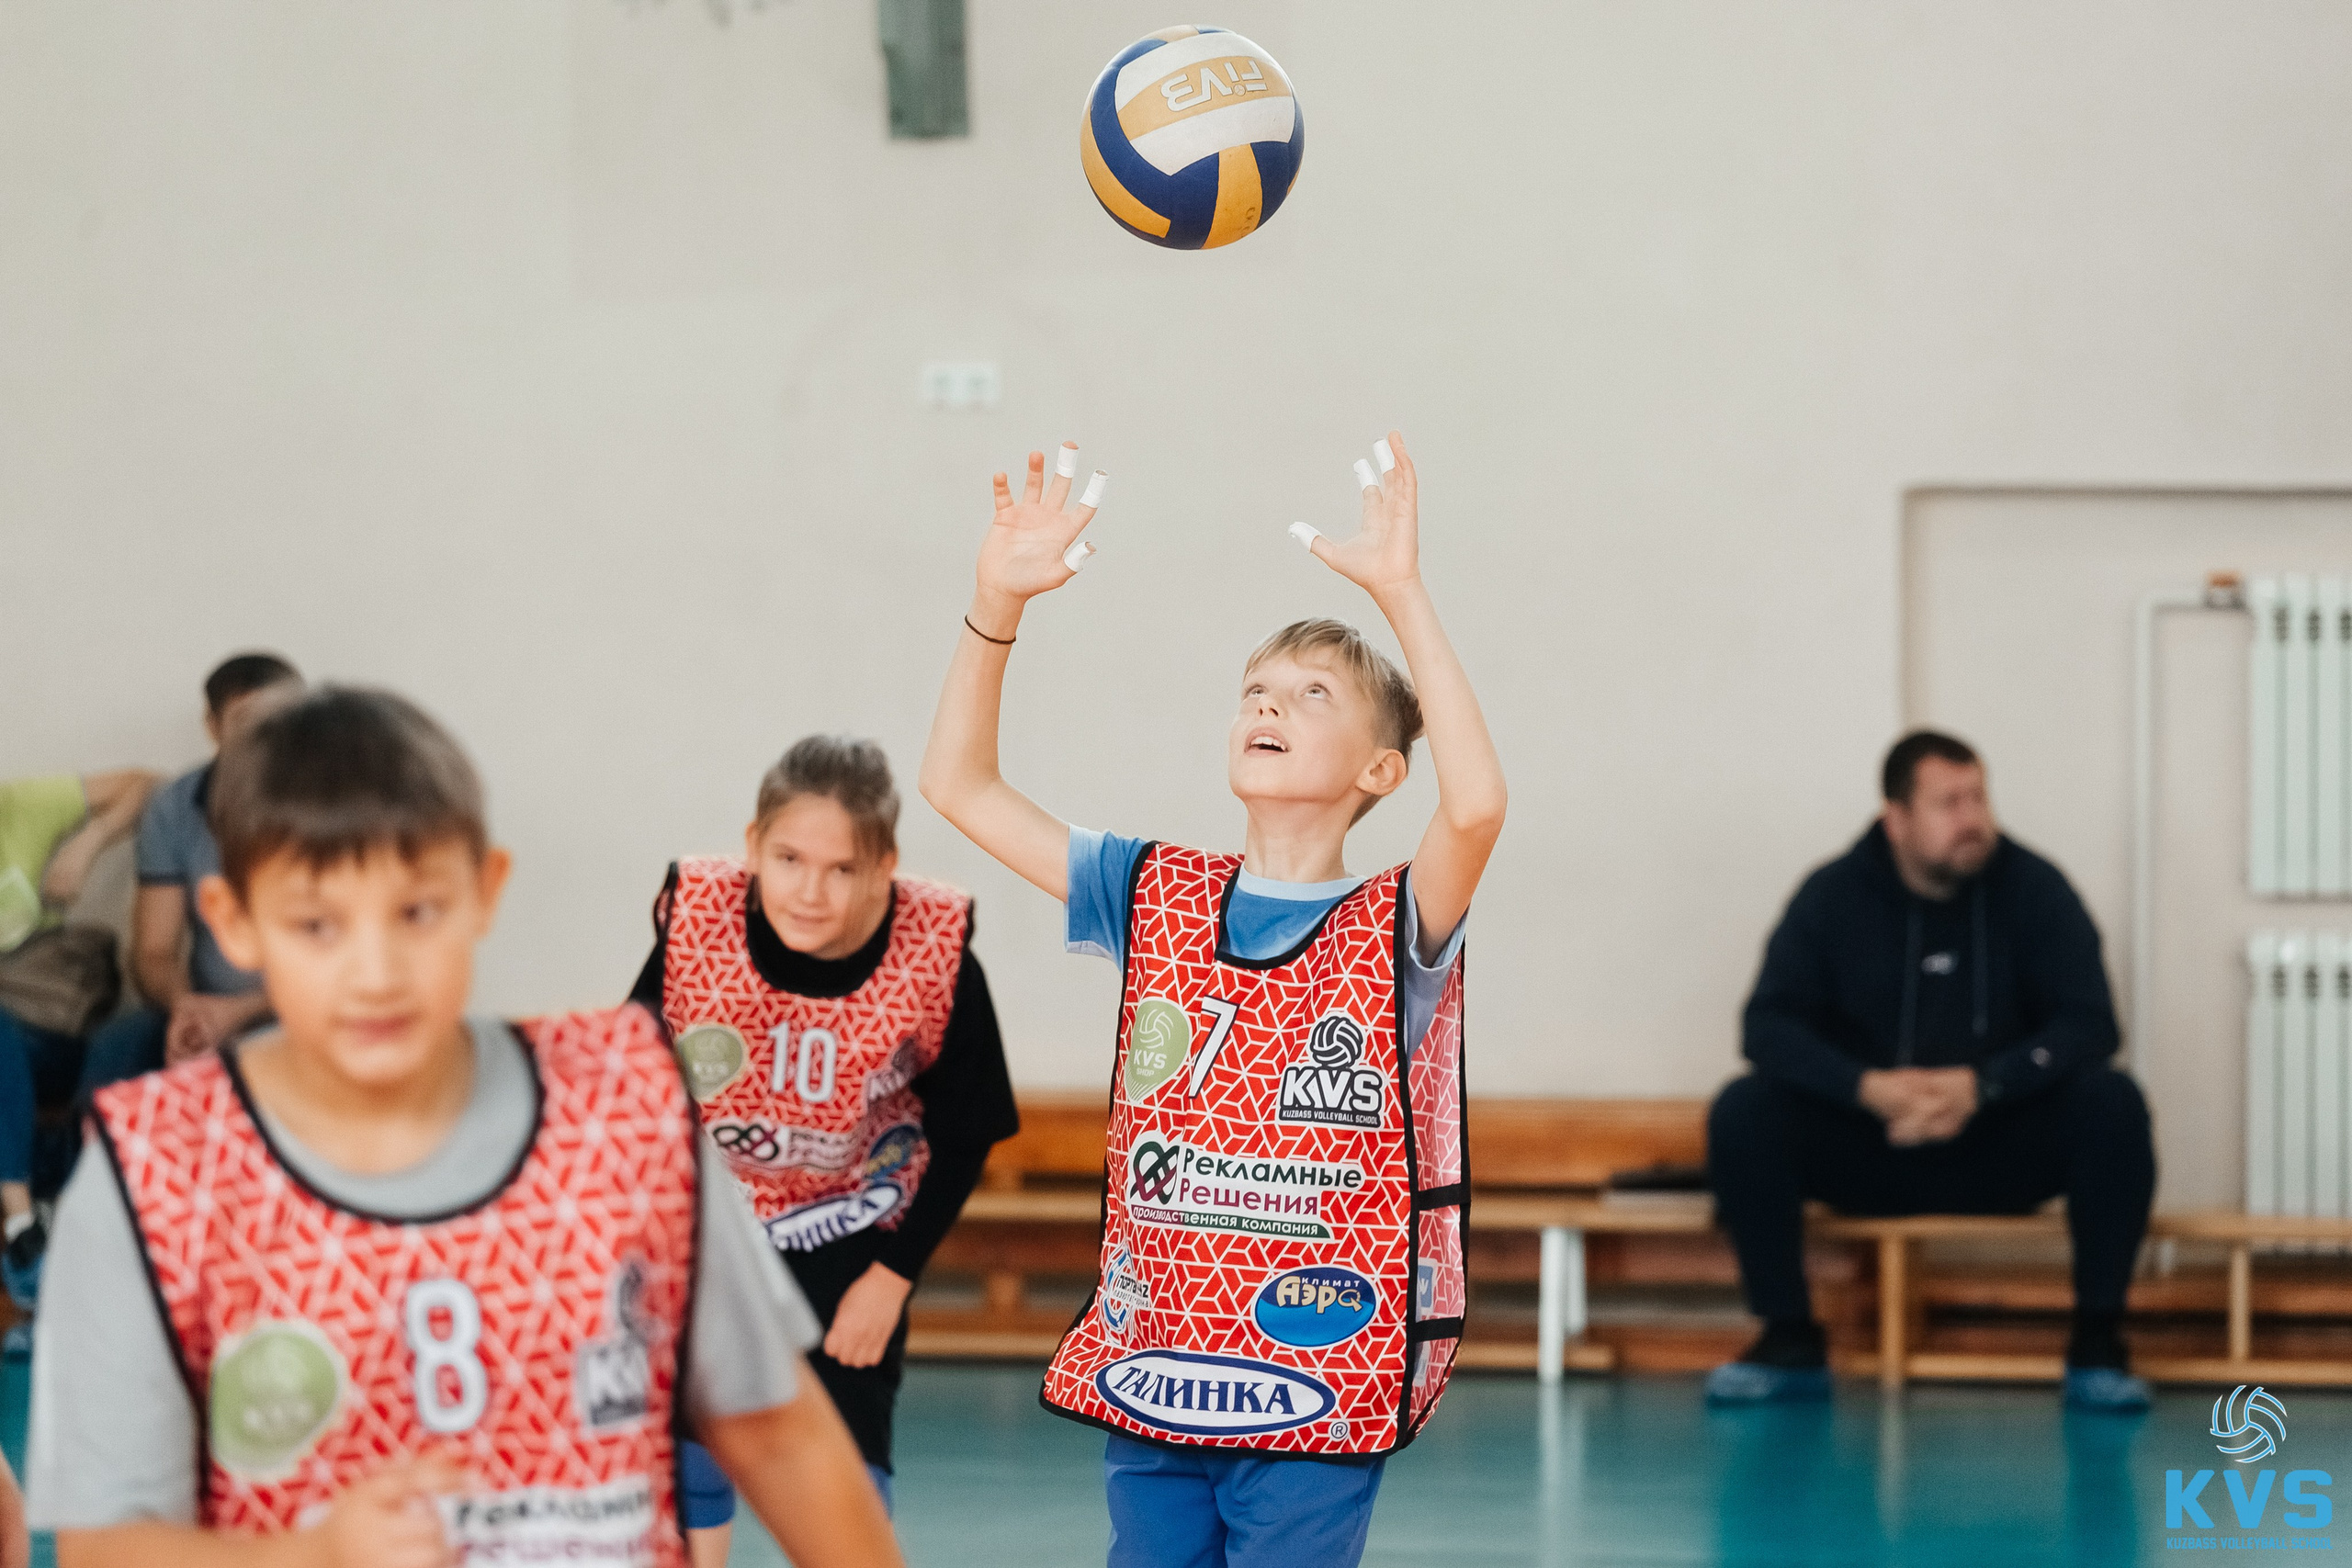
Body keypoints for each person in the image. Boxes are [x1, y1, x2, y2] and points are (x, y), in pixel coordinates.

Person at [28, 687, 901, 1567]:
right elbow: (107, 1545)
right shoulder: (155, 1172)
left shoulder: (629, 1113)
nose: (375, 972)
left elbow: (779, 1434)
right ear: (233, 922)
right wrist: (317, 1556)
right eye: (318, 924)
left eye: (417, 912)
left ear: (486, 891)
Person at [921, 432, 1505, 1568]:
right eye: (1255, 688)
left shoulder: (1393, 919)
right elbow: (959, 786)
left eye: (1312, 693)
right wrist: (996, 605)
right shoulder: (1153, 889)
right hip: (1157, 1358)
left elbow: (1476, 807)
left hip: (1313, 1374)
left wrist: (1400, 594)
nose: (1268, 703)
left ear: (1381, 770)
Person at [630, 734, 1019, 1564]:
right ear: (752, 846)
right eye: (789, 857)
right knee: (688, 1443)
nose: (810, 890)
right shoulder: (697, 921)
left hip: (851, 1225)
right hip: (714, 1223)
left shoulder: (937, 952)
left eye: (842, 868)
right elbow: (630, 1088)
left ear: (885, 865)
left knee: (846, 1459)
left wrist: (892, 1277)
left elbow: (967, 1133)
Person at [1704, 729, 2157, 1413]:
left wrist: (1984, 1085)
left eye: (1978, 797)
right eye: (1949, 802)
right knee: (1744, 1110)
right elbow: (1766, 1027)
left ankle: (2097, 1344)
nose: (1972, 818)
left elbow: (2090, 1024)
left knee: (2113, 1103)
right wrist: (1868, 1089)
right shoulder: (1833, 896)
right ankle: (1788, 1338)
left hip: (1995, 1143)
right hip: (1873, 1145)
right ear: (1897, 818)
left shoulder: (2035, 889)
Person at [78, 653, 302, 1100]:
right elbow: (154, 952)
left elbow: (346, 961)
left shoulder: (341, 807)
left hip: (308, 1010)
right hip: (202, 1004)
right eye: (247, 719)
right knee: (114, 1055)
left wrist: (235, 1014)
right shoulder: (175, 807)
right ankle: (92, 1168)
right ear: (214, 726)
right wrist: (190, 1008)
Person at [0, 766, 156, 1328]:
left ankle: (32, 1226)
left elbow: (141, 784)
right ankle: (25, 1223)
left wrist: (87, 847)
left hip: (44, 1034)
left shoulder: (21, 805)